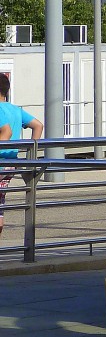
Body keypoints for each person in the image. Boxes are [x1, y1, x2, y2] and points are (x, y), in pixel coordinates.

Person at [0, 73, 43, 237]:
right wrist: (30, 158)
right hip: (11, 164)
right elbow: (38, 126)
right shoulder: (16, 110)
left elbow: (6, 131)